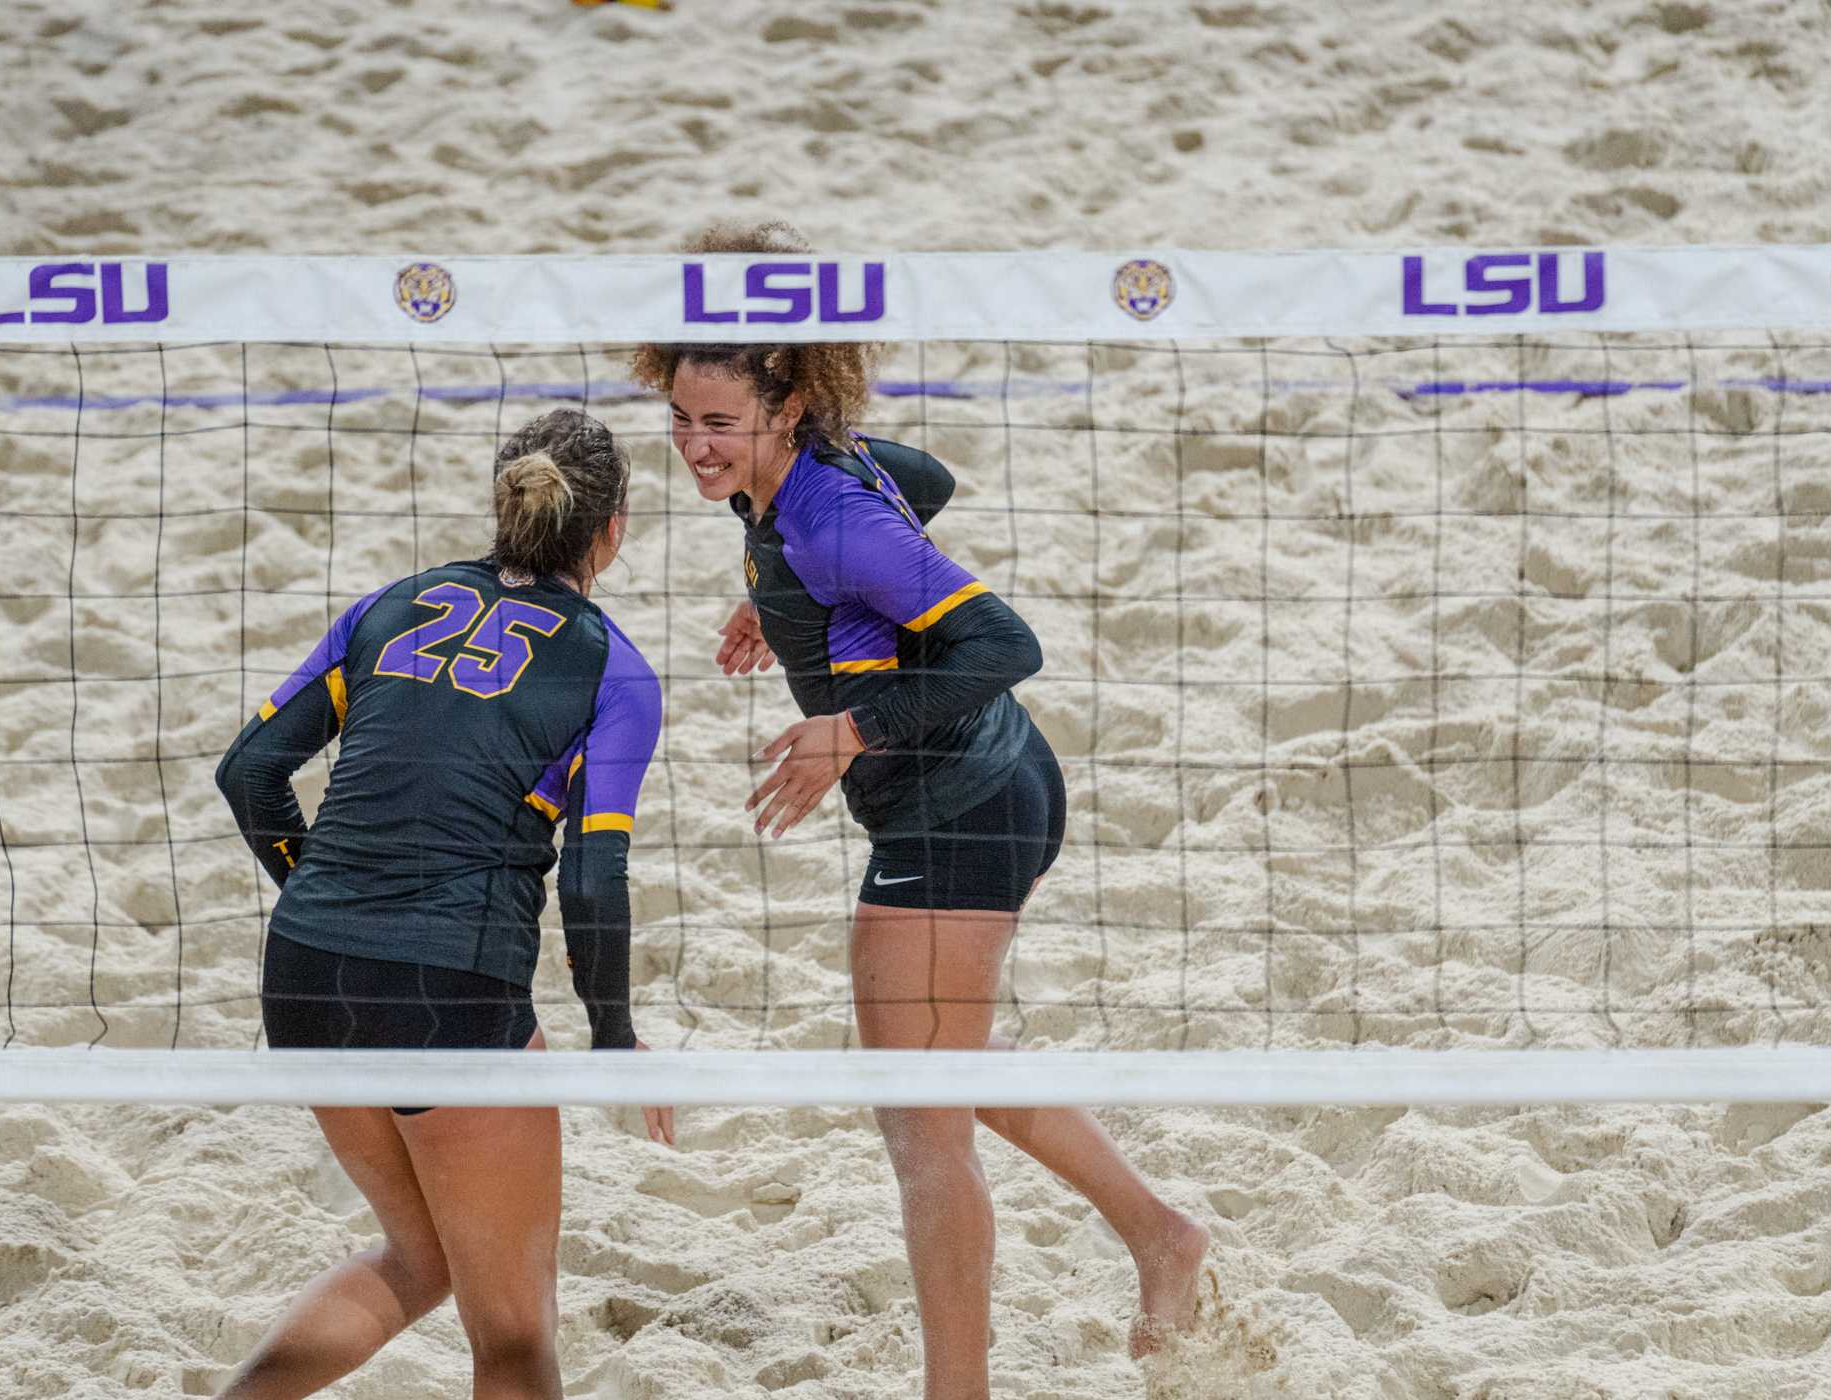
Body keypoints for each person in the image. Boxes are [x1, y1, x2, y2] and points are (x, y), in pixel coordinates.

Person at [633, 223, 1211, 1399]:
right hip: (970, 789)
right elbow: (925, 484)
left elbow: (1007, 640)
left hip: (966, 800)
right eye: (683, 419)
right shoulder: (801, 482)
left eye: (721, 425)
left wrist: (849, 721)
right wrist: (783, 610)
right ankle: (1160, 1234)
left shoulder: (832, 515)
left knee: (921, 1121)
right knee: (939, 1069)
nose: (697, 447)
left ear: (788, 405)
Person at [212, 408, 672, 1400]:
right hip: (448, 989)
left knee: (421, 1260)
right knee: (513, 1332)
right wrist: (617, 1030)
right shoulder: (615, 668)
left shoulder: (391, 605)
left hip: (304, 971)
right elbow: (595, 877)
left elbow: (250, 771)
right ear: (613, 528)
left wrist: (328, 887)